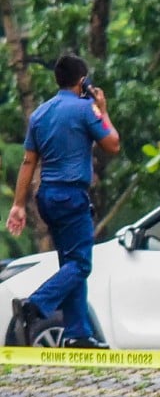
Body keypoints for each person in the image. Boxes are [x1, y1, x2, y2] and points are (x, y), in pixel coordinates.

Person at [6, 53, 120, 349]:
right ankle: (36, 305)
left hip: (46, 197)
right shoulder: (85, 110)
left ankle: (77, 333)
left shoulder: (40, 114)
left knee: (70, 264)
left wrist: (18, 204)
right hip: (72, 196)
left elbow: (29, 162)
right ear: (83, 82)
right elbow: (113, 144)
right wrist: (103, 110)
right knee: (80, 265)